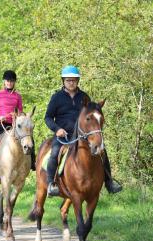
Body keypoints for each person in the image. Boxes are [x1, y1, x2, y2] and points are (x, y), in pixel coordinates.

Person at [45, 65, 122, 197]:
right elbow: (47, 117)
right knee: (55, 152)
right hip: (63, 136)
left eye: (74, 80)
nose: (71, 82)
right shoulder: (56, 97)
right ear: (63, 81)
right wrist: (57, 129)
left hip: (83, 136)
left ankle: (109, 182)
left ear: (78, 81)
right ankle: (51, 184)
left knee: (102, 152)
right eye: (68, 80)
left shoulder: (84, 97)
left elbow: (92, 116)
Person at [0, 70, 36, 172]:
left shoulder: (18, 96)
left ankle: (33, 162)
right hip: (0, 123)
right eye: (7, 81)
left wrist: (23, 116)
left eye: (11, 81)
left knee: (29, 137)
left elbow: (19, 110)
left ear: (14, 82)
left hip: (14, 124)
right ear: (4, 82)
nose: (9, 83)